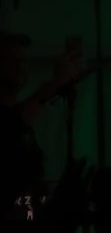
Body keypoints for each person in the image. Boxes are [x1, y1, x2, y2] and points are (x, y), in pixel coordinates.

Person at [1, 29, 81, 210]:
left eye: (23, 61)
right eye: (13, 61)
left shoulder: (21, 123)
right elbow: (13, 122)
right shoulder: (12, 121)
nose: (21, 67)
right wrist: (57, 82)